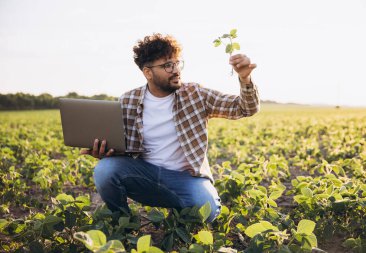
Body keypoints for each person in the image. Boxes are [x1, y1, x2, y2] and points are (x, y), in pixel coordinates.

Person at [81, 33, 260, 222]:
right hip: (145, 176)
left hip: (187, 179)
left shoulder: (195, 94)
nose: (175, 70)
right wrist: (105, 152)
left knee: (206, 209)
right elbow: (121, 149)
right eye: (167, 65)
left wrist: (245, 78)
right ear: (148, 72)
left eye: (177, 63)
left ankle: (178, 216)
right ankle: (123, 223)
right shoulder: (128, 101)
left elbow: (244, 108)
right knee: (105, 169)